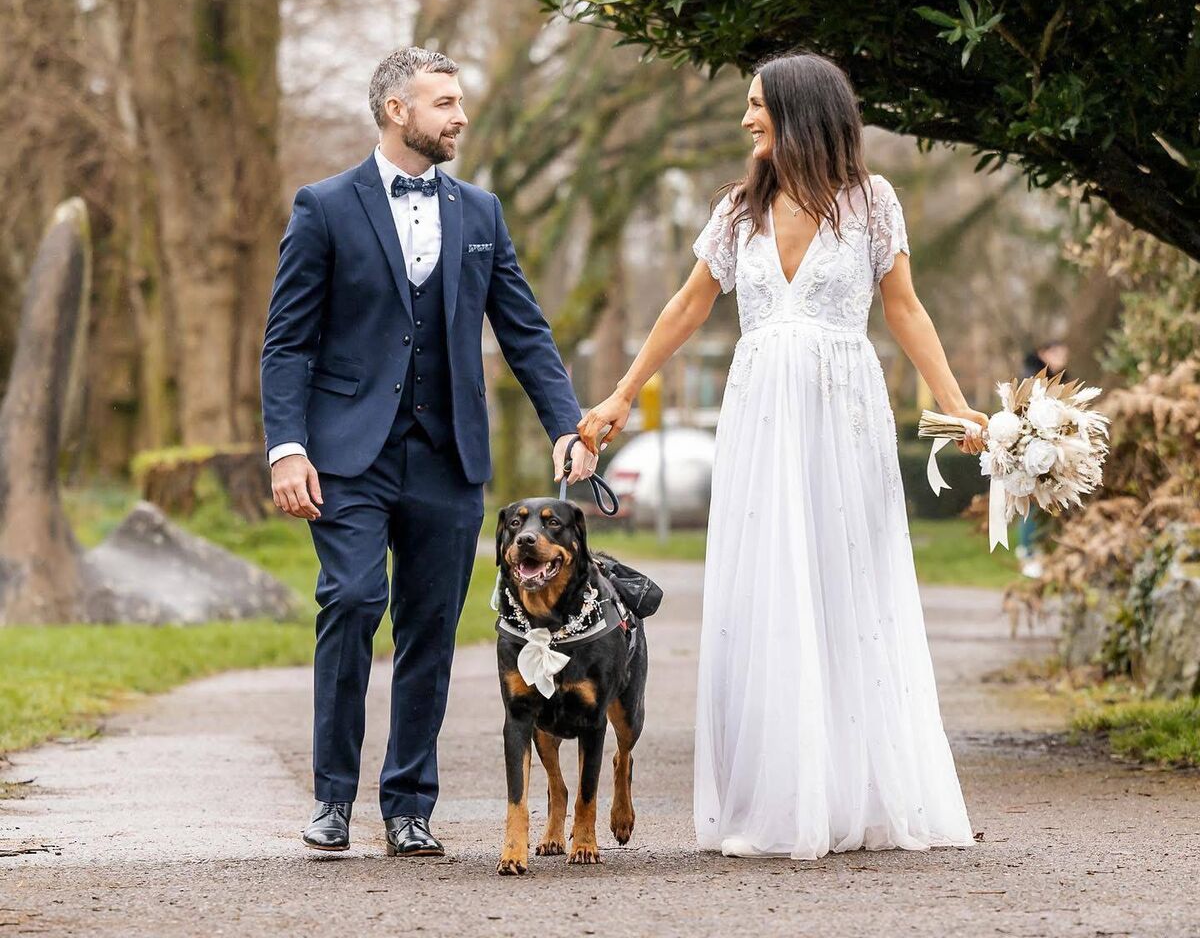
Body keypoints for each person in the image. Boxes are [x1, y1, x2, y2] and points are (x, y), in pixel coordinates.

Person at [579, 51, 984, 860]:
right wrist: (622, 393)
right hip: (761, 413)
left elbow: (904, 309)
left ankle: (857, 790)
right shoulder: (737, 213)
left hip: (845, 412)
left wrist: (953, 400)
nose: (745, 119)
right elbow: (688, 305)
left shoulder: (873, 203)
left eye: (758, 104)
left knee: (845, 584)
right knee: (769, 590)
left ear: (801, 112)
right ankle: (778, 795)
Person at [261, 46, 596, 856]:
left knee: (431, 626)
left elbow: (522, 328)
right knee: (349, 600)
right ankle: (333, 799)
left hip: (448, 455)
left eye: (460, 100)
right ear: (396, 111)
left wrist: (566, 423)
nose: (460, 115)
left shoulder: (481, 212)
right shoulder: (324, 206)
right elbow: (287, 341)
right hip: (346, 453)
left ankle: (409, 803)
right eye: (443, 102)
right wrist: (287, 447)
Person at [1015, 340, 1070, 575]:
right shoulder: (1033, 380)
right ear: (1043, 354)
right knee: (1033, 501)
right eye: (1056, 353)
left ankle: (1044, 552)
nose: (1061, 358)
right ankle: (1028, 552)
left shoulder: (1063, 380)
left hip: (1055, 449)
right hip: (1032, 450)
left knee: (1050, 501)